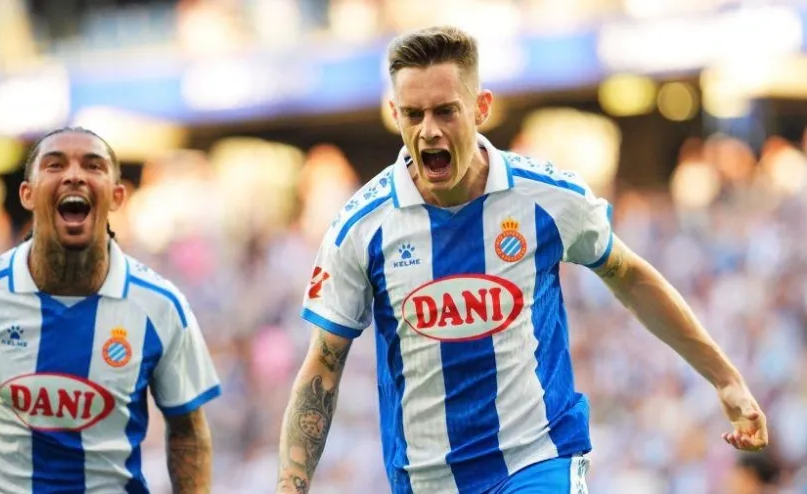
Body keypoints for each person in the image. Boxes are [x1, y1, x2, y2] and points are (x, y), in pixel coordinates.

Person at [275, 26, 769, 494]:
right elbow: (323, 363)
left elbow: (630, 276)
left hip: (538, 458)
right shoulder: (361, 227)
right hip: (425, 478)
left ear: (481, 108)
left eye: (446, 111)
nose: (429, 131)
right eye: (413, 114)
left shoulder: (548, 198)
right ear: (394, 113)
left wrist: (725, 379)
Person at [0, 127, 221, 493]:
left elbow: (188, 432)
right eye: (55, 165)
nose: (74, 175)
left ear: (116, 196)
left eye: (93, 166)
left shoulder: (161, 306)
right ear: (27, 194)